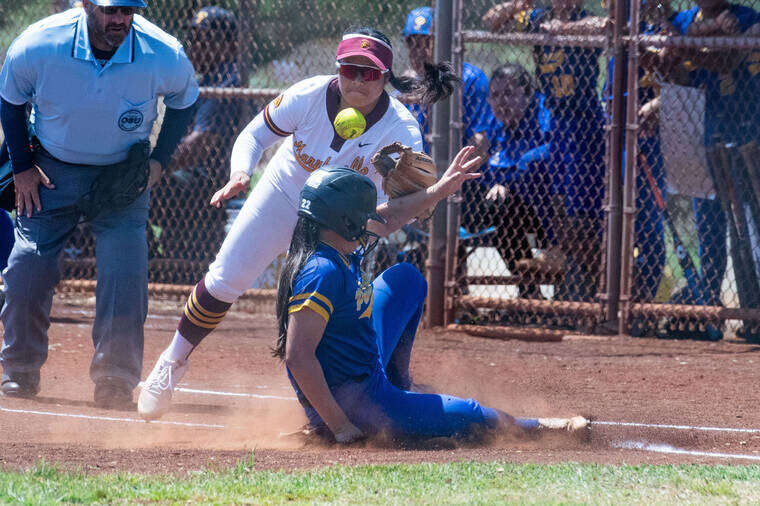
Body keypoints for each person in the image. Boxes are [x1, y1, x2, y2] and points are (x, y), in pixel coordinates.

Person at [137, 26, 460, 419]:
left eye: (370, 72)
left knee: (339, 311)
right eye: (350, 69)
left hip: (342, 221)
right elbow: (253, 135)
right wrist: (241, 173)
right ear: (337, 69)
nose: (358, 80)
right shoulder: (308, 95)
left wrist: (411, 204)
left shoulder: (401, 129)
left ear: (386, 78)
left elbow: (398, 207)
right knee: (224, 280)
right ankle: (171, 364)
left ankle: (380, 385)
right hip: (283, 195)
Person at [278, 164, 588, 444]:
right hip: (359, 401)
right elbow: (298, 357)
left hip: (363, 364)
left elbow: (390, 217)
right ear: (344, 221)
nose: (368, 221)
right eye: (361, 216)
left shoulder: (334, 240)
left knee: (406, 280)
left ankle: (399, 385)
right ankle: (537, 427)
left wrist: (439, 189)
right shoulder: (323, 271)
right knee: (471, 413)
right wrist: (339, 425)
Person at [0, 0, 199, 405]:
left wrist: (160, 161)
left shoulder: (162, 52)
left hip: (121, 178)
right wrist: (21, 166)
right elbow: (11, 99)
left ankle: (114, 378)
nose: (120, 19)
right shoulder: (41, 44)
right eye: (111, 10)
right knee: (27, 266)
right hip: (51, 172)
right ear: (87, 4)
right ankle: (19, 370)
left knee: (125, 275)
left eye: (128, 10)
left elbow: (185, 100)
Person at [482, 0, 606, 301]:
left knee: (577, 208)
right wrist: (516, 5)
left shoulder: (584, 20)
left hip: (583, 119)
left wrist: (564, 29)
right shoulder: (537, 19)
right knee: (533, 166)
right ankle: (555, 247)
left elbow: (607, 27)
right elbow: (491, 22)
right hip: (561, 119)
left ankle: (581, 277)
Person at [662, 0, 759, 339]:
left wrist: (686, 44)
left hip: (746, 132)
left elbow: (727, 61)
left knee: (746, 228)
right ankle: (708, 310)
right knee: (710, 229)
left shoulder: (745, 17)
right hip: (704, 132)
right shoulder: (685, 19)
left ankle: (753, 313)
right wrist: (679, 47)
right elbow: (675, 67)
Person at [148, 6, 244, 284]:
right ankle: (151, 261)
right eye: (193, 39)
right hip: (196, 178)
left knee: (133, 185)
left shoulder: (228, 81)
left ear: (226, 46)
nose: (194, 47)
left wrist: (158, 162)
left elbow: (200, 145)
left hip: (207, 182)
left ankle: (145, 264)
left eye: (204, 40)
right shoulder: (211, 78)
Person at [465, 63, 554, 299]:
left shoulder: (543, 114)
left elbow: (546, 157)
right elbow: (490, 165)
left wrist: (508, 183)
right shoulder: (495, 124)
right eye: (494, 96)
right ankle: (529, 293)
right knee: (496, 214)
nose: (501, 102)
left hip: (549, 207)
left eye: (509, 94)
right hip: (514, 206)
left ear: (528, 95)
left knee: (508, 209)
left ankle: (551, 297)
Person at [401, 6, 492, 155]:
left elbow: (481, 141)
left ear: (443, 43)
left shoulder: (470, 79)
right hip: (419, 170)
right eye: (412, 44)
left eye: (427, 44)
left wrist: (445, 175)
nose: (417, 53)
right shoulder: (410, 83)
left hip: (464, 173)